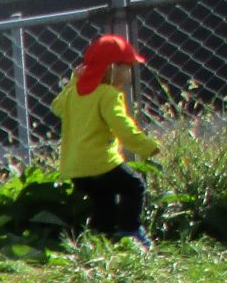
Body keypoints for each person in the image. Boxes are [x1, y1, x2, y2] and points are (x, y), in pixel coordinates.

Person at [51, 33, 161, 247]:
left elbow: (56, 107)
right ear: (112, 68)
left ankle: (102, 242)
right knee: (134, 186)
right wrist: (147, 146)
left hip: (76, 168)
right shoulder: (108, 95)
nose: (129, 72)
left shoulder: (74, 93)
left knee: (104, 202)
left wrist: (74, 81)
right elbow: (123, 127)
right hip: (101, 163)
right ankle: (130, 232)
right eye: (126, 67)